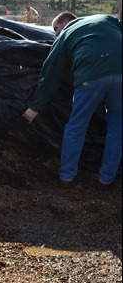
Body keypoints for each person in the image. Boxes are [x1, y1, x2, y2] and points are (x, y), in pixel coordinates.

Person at [22, 11, 122, 187]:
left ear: (66, 21)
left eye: (56, 29)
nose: (55, 34)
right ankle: (107, 180)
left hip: (91, 75)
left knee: (77, 126)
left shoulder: (67, 32)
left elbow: (51, 73)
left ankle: (66, 177)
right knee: (117, 129)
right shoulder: (106, 19)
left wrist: (35, 106)